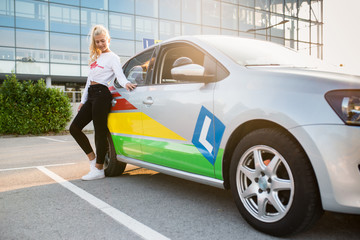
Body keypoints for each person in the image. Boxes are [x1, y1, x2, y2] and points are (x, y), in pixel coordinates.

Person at [70, 25, 136, 181]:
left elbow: (119, 76)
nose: (100, 44)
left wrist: (126, 83)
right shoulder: (96, 58)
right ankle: (93, 160)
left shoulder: (113, 57)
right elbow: (88, 81)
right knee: (74, 128)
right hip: (92, 94)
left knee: (99, 131)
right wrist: (83, 100)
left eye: (103, 41)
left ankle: (99, 168)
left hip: (102, 95)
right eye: (97, 42)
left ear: (108, 40)